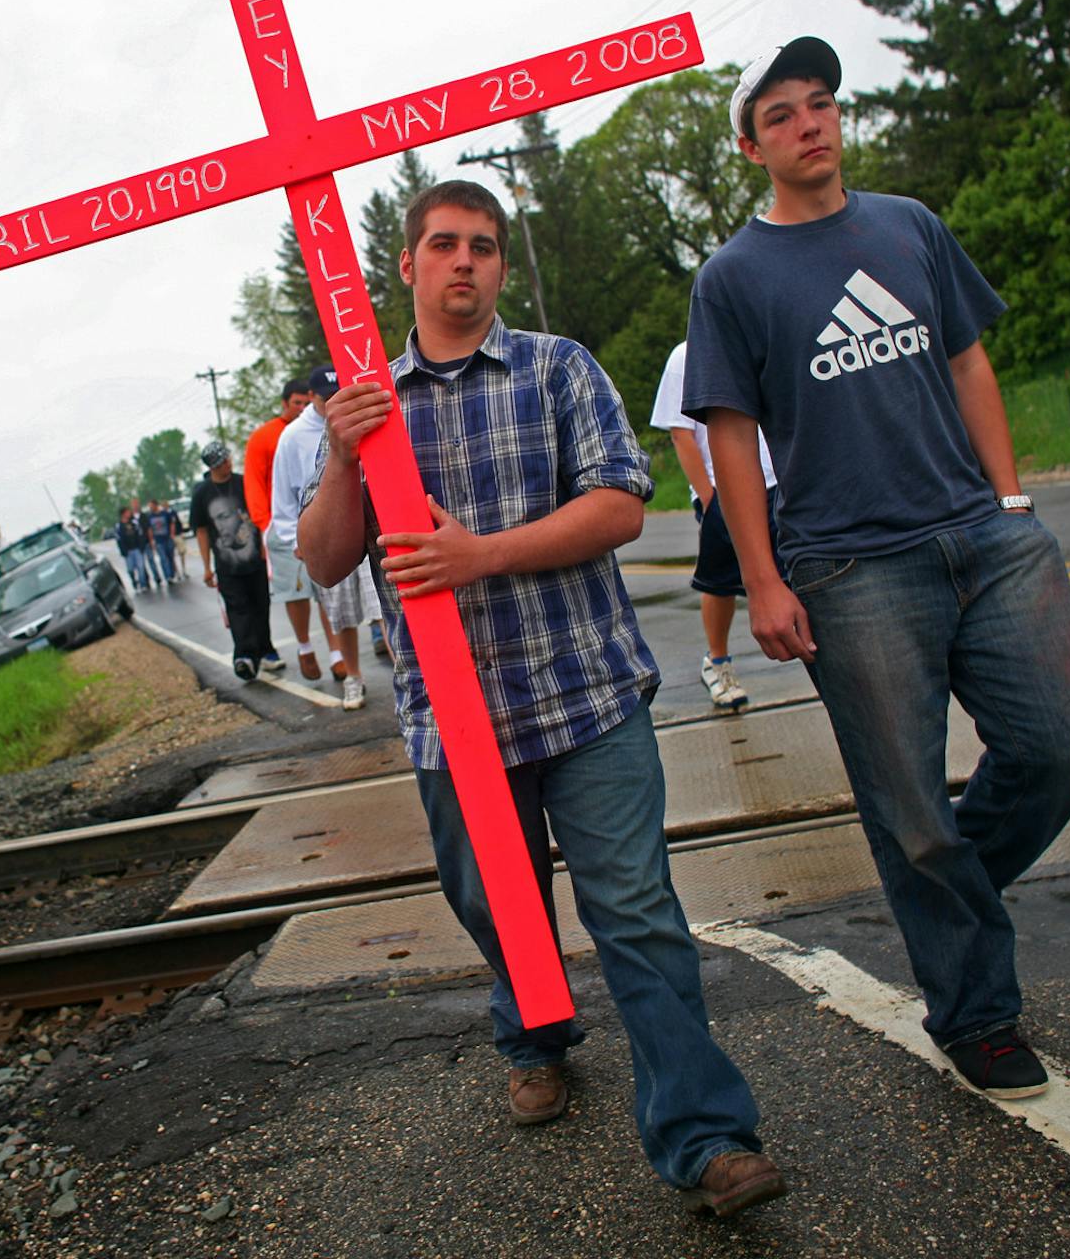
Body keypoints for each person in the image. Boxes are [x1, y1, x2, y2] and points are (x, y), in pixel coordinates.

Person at [301, 180, 785, 1217]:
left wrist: (481, 556)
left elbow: (619, 503)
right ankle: (533, 1028)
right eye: (443, 245)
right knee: (493, 907)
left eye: (482, 246)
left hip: (585, 695)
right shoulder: (369, 405)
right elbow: (327, 555)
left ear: (501, 268)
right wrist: (343, 456)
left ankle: (707, 1138)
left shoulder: (558, 367)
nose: (464, 262)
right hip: (453, 718)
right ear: (407, 265)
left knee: (640, 914)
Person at [685, 35, 1070, 1099]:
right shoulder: (733, 278)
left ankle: (950, 891)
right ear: (750, 146)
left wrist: (1012, 502)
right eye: (780, 114)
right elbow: (731, 437)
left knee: (1061, 746)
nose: (808, 124)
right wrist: (764, 579)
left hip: (984, 537)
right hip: (848, 569)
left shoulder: (909, 225)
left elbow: (967, 356)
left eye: (820, 103)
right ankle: (976, 1014)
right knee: (908, 807)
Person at [650, 339, 780, 710]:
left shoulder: (758, 340)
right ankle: (718, 663)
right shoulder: (687, 355)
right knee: (721, 580)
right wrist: (710, 498)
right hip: (725, 490)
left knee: (799, 569)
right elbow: (680, 432)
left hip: (777, 482)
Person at [273, 364, 378, 709]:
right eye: (327, 398)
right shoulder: (292, 437)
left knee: (384, 608)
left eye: (338, 394)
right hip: (328, 532)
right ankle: (353, 677)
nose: (334, 403)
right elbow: (284, 499)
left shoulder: (358, 415)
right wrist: (297, 542)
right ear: (312, 398)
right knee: (343, 614)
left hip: (370, 525)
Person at [192, 440, 272, 681]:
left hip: (254, 558)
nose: (228, 463)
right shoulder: (202, 494)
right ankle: (244, 656)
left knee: (261, 605)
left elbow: (259, 513)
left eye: (228, 458)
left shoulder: (242, 483)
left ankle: (265, 649)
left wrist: (264, 546)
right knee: (238, 610)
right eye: (223, 461)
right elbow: (202, 531)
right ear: (213, 466)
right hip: (227, 566)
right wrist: (206, 567)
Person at [247, 380, 310, 673]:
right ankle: (305, 646)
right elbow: (254, 484)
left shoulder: (315, 429)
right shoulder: (264, 437)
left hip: (315, 520)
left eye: (305, 402)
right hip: (282, 525)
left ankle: (340, 655)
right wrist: (265, 525)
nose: (302, 408)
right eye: (296, 403)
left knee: (330, 589)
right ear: (284, 403)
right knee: (295, 591)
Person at [144, 498, 182, 586]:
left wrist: (172, 534)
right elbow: (149, 529)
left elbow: (171, 523)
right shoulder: (150, 516)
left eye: (151, 506)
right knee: (163, 558)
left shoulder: (165, 514)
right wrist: (152, 540)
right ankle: (168, 576)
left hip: (167, 538)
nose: (150, 508)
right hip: (158, 540)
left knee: (170, 557)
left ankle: (172, 574)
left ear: (155, 505)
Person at [114, 504, 152, 593]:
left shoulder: (134, 523)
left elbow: (140, 534)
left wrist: (141, 546)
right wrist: (123, 551)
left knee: (141, 567)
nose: (129, 513)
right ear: (123, 514)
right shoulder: (119, 526)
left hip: (137, 548)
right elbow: (118, 539)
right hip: (128, 551)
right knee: (130, 569)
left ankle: (143, 584)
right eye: (127, 512)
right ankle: (134, 582)